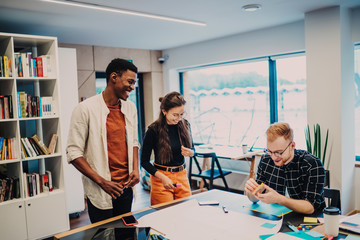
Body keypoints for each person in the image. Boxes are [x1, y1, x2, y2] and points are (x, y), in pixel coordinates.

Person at [66, 58, 140, 223]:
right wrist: (102, 182)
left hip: (126, 187)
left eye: (134, 83)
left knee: (125, 234)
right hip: (101, 189)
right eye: (129, 81)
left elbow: (134, 141)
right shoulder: (85, 109)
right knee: (103, 235)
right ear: (114, 77)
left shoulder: (130, 107)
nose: (132, 87)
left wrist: (136, 169)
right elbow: (73, 153)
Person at [245, 122, 325, 215]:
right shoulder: (266, 160)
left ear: (292, 146)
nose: (274, 157)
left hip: (310, 219)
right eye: (270, 151)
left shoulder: (311, 164)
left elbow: (310, 207)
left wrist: (279, 199)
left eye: (279, 152)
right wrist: (251, 192)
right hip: (279, 216)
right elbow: (255, 198)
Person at [141, 91, 194, 205]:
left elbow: (193, 149)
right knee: (164, 217)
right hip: (161, 178)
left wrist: (191, 152)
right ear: (164, 111)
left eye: (182, 114)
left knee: (186, 212)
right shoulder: (153, 130)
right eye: (175, 115)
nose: (179, 118)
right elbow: (144, 162)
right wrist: (162, 178)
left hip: (182, 176)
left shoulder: (185, 125)